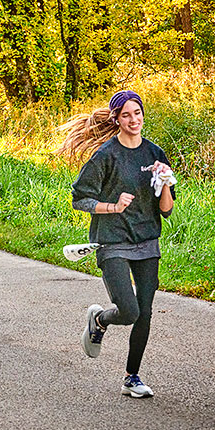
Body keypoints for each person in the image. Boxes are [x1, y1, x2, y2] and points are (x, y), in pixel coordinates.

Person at [63, 90, 176, 399]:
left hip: (147, 239)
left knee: (146, 311)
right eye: (126, 115)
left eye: (137, 113)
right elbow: (80, 199)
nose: (133, 119)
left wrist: (166, 182)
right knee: (128, 310)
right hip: (111, 240)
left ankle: (132, 377)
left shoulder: (154, 153)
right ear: (116, 119)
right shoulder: (105, 156)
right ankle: (100, 319)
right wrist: (113, 206)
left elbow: (166, 209)